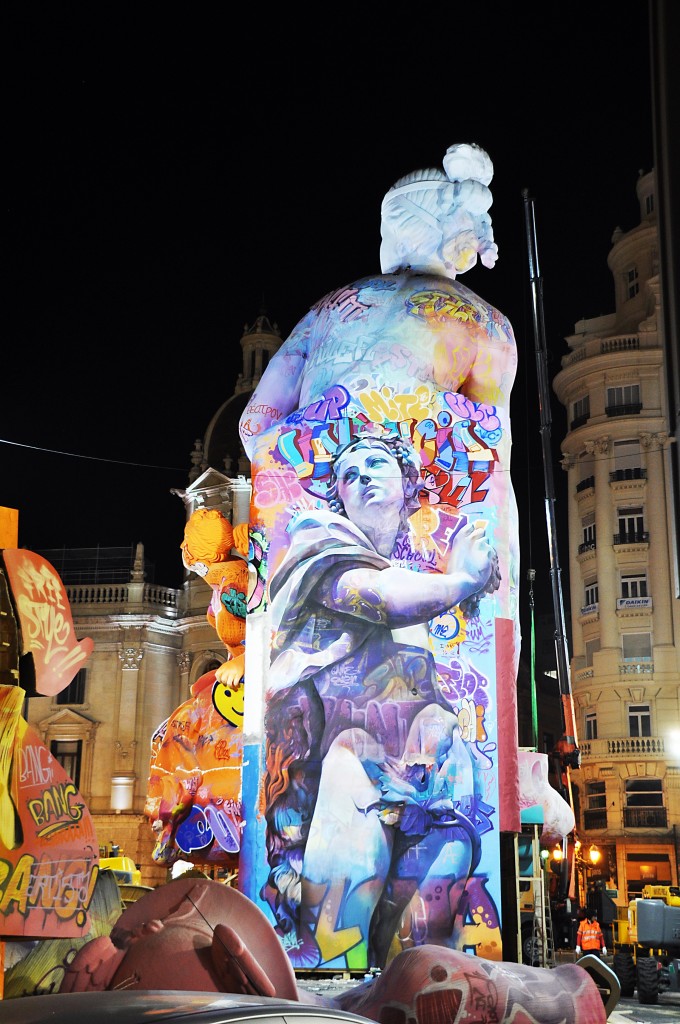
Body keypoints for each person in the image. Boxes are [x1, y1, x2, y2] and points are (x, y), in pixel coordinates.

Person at [239, 142, 520, 969]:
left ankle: (308, 966)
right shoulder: (487, 328)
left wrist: (315, 473)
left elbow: (259, 429)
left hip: (306, 578)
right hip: (442, 578)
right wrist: (488, 586)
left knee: (308, 803)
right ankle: (437, 971)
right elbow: (492, 468)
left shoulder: (328, 311)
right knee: (440, 799)